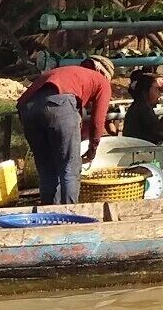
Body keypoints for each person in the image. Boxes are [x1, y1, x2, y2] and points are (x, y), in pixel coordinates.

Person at [16, 56, 114, 206]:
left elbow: (22, 101)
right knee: (70, 167)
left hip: (27, 109)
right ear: (101, 71)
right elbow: (98, 120)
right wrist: (92, 149)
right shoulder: (101, 81)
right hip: (60, 105)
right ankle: (69, 216)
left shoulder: (65, 72)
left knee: (46, 168)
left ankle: (48, 215)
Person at [121, 71, 163, 144]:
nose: (159, 94)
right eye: (156, 89)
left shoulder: (139, 106)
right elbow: (157, 133)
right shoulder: (143, 109)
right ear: (146, 91)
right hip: (140, 150)